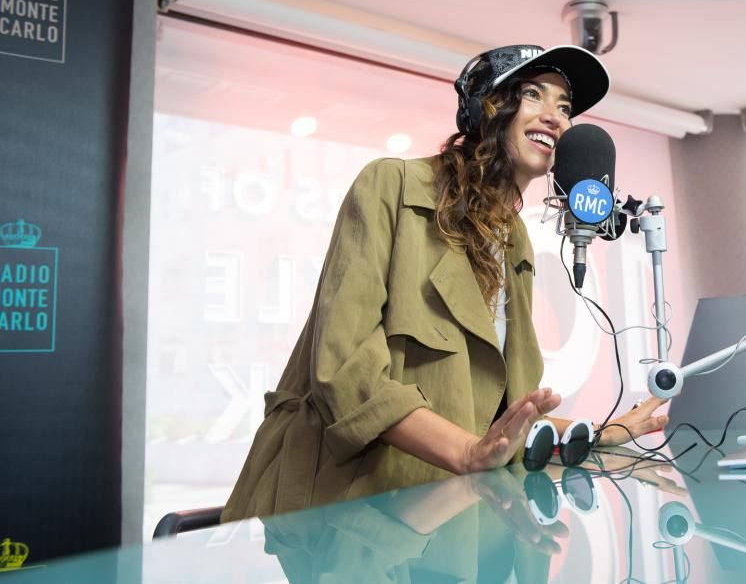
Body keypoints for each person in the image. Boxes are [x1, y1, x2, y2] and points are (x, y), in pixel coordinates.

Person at [222, 44, 668, 522]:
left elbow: (499, 420)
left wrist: (601, 431)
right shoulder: (391, 185)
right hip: (352, 512)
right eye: (532, 94)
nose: (554, 117)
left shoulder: (514, 239)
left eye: (564, 106)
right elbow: (345, 367)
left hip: (449, 513)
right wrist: (466, 453)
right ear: (485, 107)